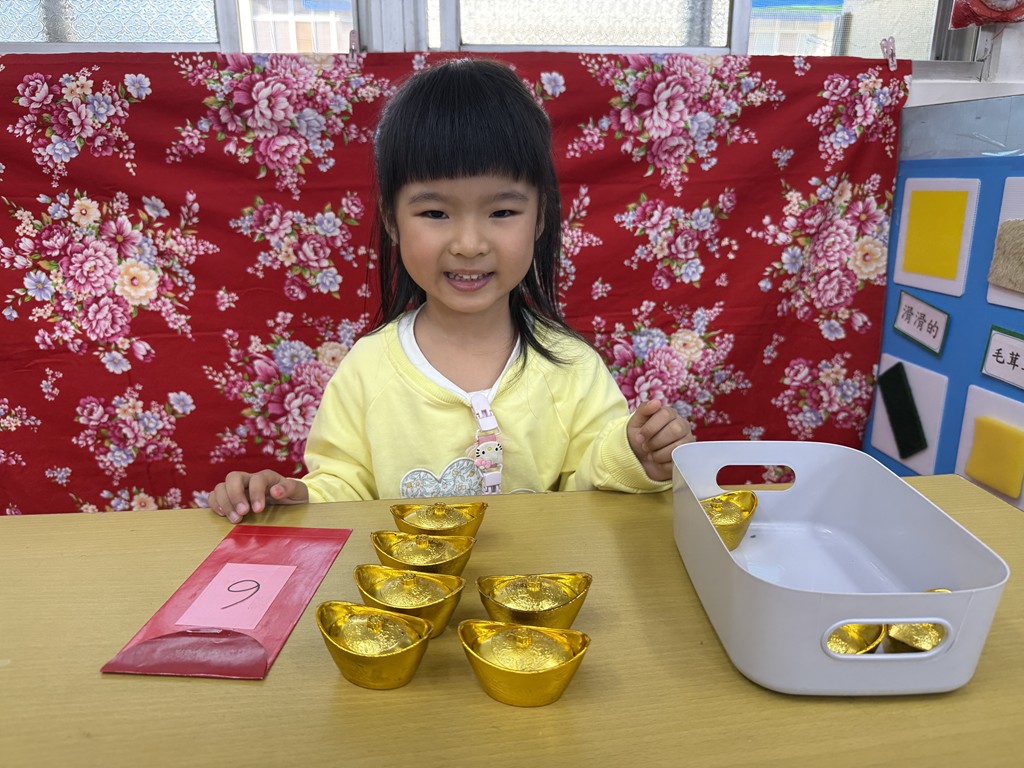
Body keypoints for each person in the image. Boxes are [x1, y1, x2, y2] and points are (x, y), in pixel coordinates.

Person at [209, 58, 694, 524]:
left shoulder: (573, 367)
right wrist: (297, 499)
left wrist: (636, 455)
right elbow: (342, 486)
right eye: (435, 213)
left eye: (502, 212)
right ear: (392, 220)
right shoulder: (366, 369)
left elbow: (592, 484)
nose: (468, 244)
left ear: (540, 217)